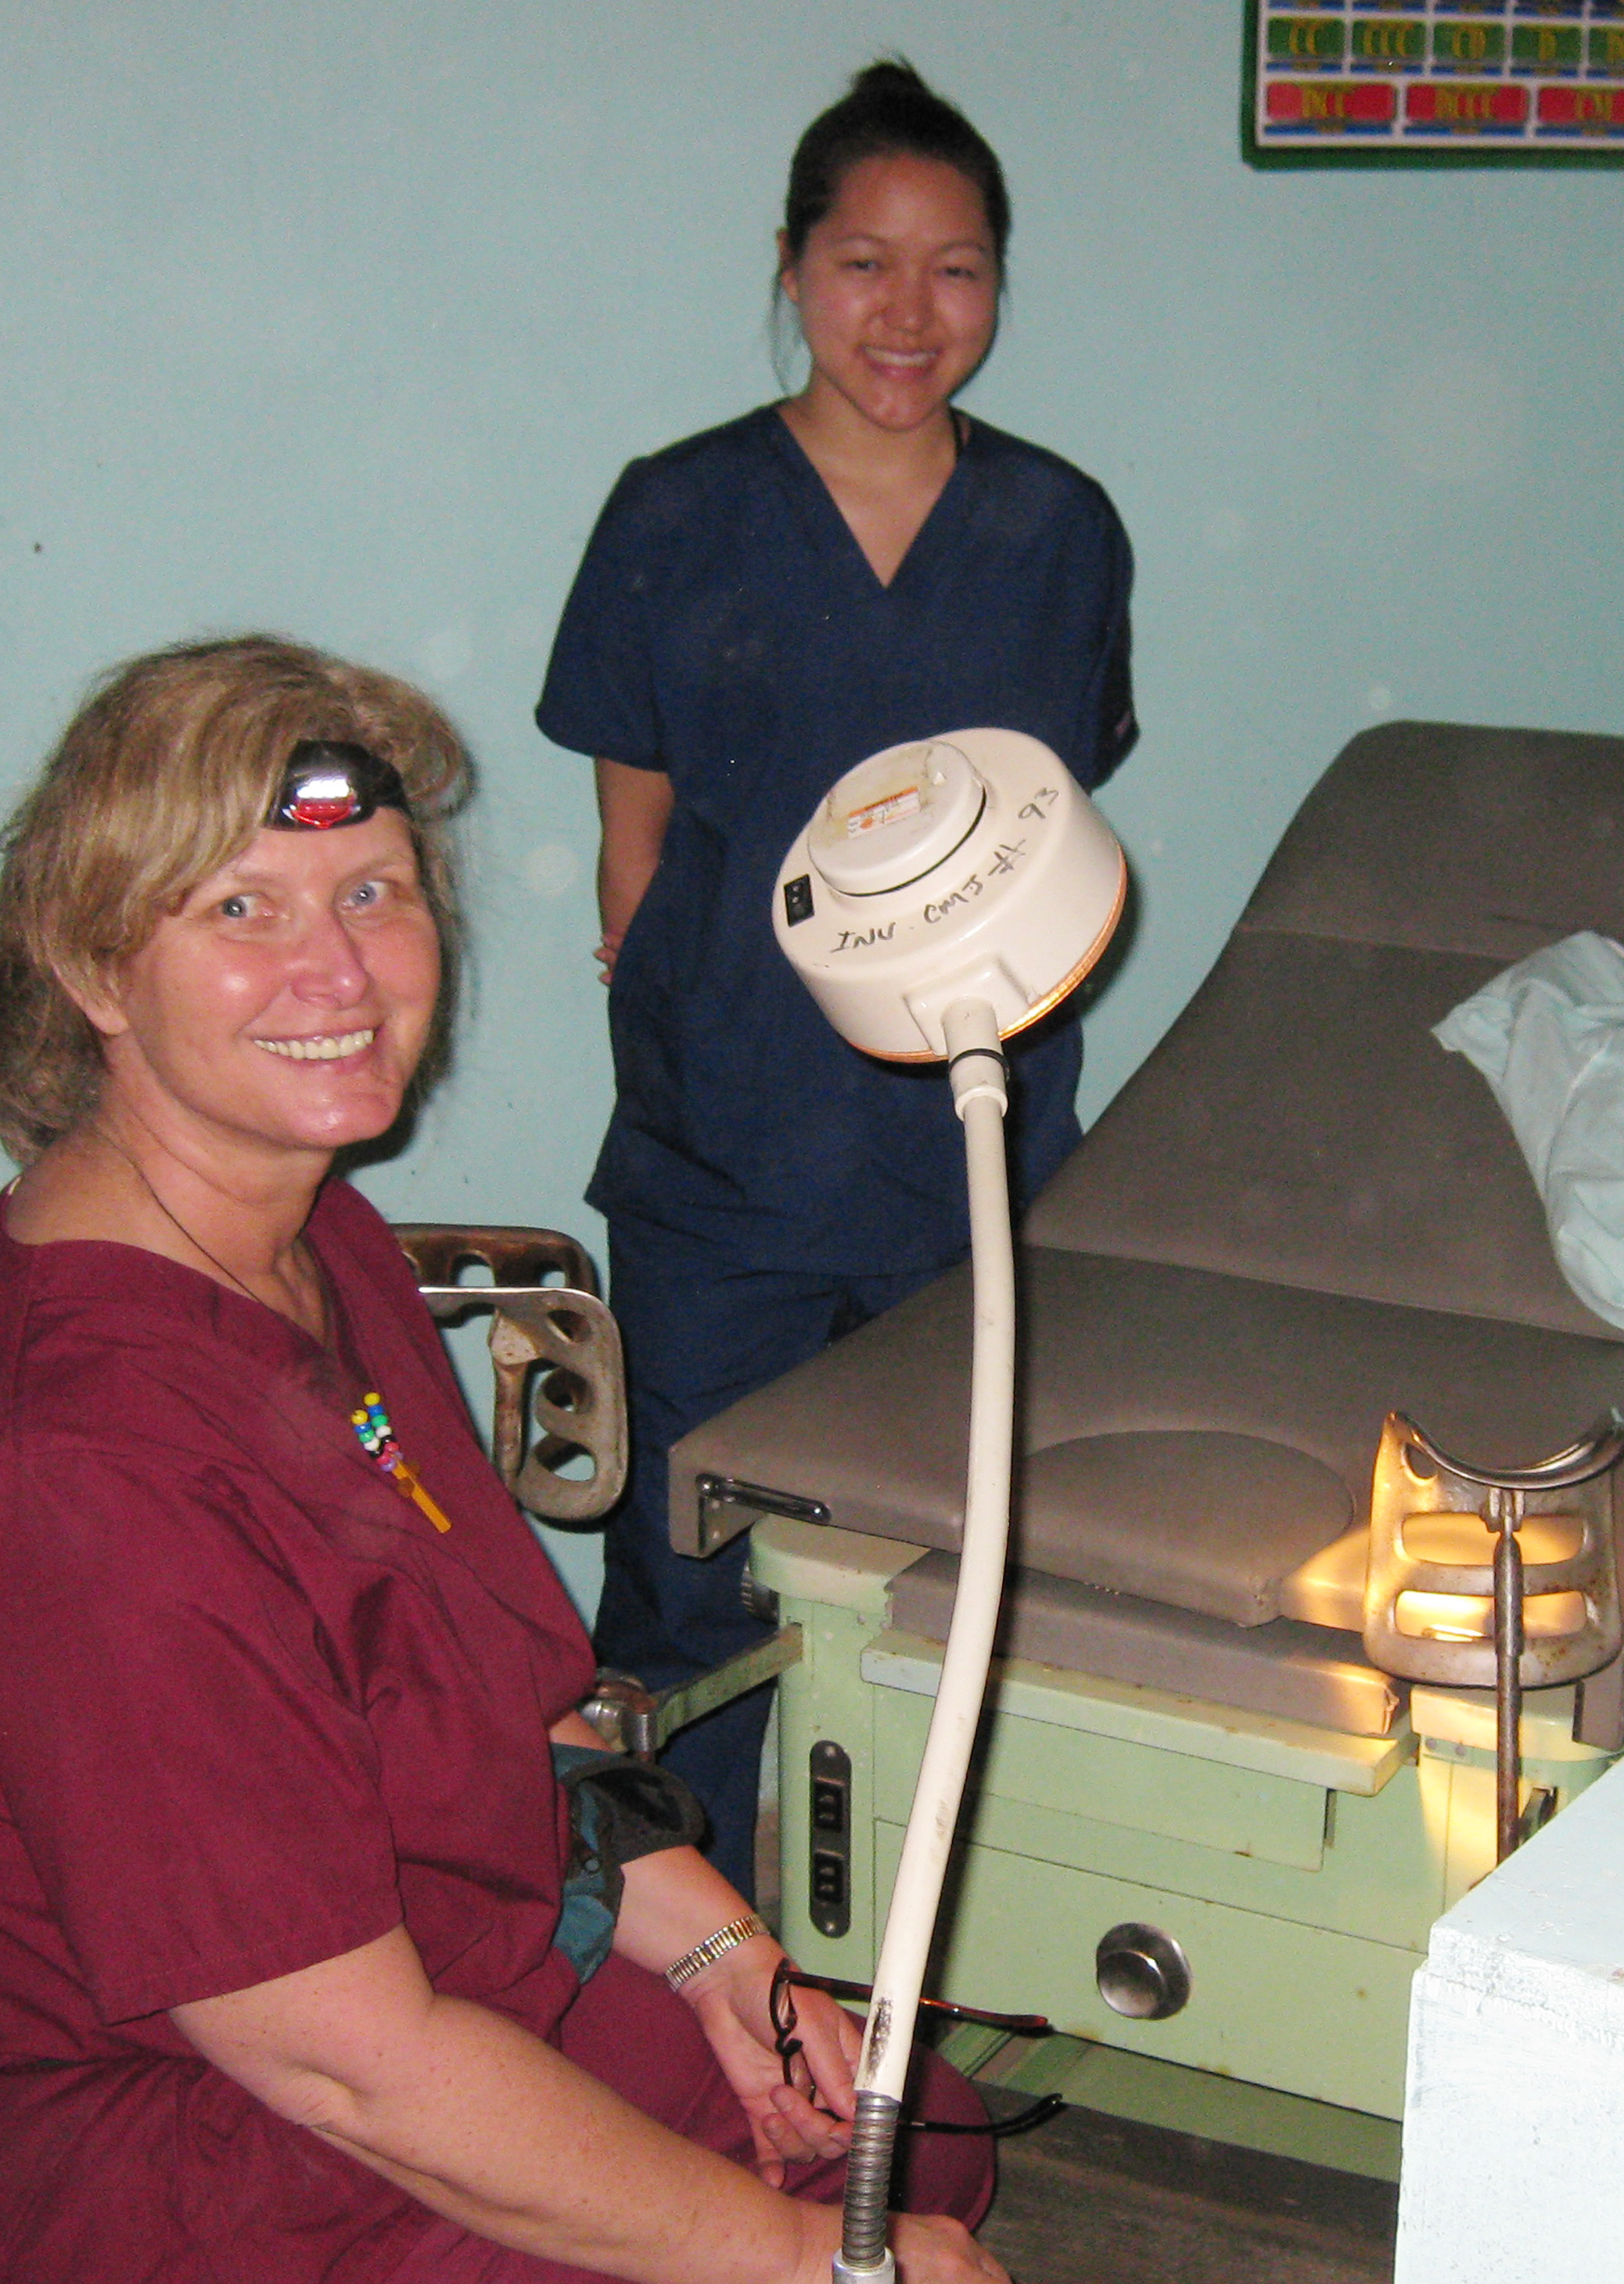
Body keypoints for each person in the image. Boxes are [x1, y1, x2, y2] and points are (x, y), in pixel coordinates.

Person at [0, 637, 1169, 2284]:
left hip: (412, 1991)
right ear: (91, 968)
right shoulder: (80, 1473)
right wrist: (791, 2271)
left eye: (372, 892)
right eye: (242, 911)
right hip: (157, 2228)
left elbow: (515, 1702)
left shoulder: (309, 1237)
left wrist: (715, 1950)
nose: (338, 971)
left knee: (905, 2135)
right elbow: (343, 2062)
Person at [536, 61, 1137, 1894]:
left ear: (998, 285)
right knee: (691, 1589)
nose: (909, 312)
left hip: (974, 1153)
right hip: (728, 1161)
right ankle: (672, 1962)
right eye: (865, 262)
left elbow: (1038, 837)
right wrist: (686, 1039)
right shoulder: (676, 514)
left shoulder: (1057, 529)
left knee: (947, 1577)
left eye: (957, 270)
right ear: (795, 269)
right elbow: (634, 843)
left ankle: (902, 1947)